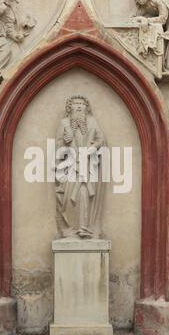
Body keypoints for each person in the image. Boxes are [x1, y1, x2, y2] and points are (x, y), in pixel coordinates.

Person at [55, 96, 105, 239]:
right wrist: (65, 142)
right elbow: (57, 146)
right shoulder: (64, 123)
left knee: (83, 192)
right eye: (76, 104)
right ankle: (69, 229)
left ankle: (84, 227)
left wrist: (92, 148)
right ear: (70, 107)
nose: (79, 106)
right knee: (67, 200)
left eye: (82, 104)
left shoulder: (92, 122)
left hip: (87, 166)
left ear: (86, 108)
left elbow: (101, 140)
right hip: (69, 167)